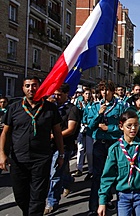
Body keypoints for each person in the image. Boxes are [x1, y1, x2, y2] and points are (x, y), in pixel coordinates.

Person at [0, 76, 64, 216]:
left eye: (34, 85)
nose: (31, 89)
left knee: (38, 197)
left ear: (39, 87)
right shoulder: (14, 108)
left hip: (41, 159)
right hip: (18, 160)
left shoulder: (50, 108)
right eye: (27, 86)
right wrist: (2, 155)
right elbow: (5, 133)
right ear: (23, 88)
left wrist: (61, 154)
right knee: (21, 196)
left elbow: (58, 133)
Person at [87, 80, 127, 216]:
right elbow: (90, 127)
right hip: (100, 144)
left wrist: (109, 128)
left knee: (114, 174)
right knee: (98, 175)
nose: (105, 93)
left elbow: (124, 127)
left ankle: (110, 199)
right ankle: (93, 206)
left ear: (113, 91)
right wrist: (99, 114)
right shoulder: (94, 106)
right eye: (102, 90)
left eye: (108, 90)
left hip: (114, 143)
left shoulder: (120, 106)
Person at [45, 83, 81, 214]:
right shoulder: (51, 108)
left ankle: (51, 202)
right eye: (55, 94)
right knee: (60, 170)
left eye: (60, 94)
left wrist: (54, 136)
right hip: (49, 146)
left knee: (54, 174)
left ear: (67, 94)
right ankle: (68, 181)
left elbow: (71, 129)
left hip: (65, 146)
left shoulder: (72, 109)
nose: (57, 97)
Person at [73, 87, 94, 180]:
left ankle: (91, 170)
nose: (88, 95)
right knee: (80, 149)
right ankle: (79, 168)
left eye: (89, 94)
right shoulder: (78, 104)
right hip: (81, 129)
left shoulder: (93, 105)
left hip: (89, 129)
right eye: (86, 94)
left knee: (89, 151)